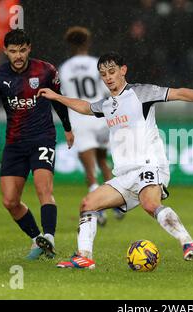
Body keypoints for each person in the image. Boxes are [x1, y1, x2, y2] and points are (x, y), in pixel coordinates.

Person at [38, 52, 193, 269]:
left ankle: (188, 243)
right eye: (103, 74)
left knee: (150, 204)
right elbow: (85, 107)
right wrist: (57, 97)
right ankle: (84, 257)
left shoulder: (141, 93)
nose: (108, 78)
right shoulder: (107, 104)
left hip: (150, 165)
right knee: (88, 204)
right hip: (125, 175)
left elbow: (180, 93)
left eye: (111, 72)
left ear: (123, 70)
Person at [0, 29, 74, 260]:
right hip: (14, 143)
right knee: (10, 201)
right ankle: (37, 239)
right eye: (13, 51)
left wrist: (67, 127)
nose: (18, 55)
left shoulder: (45, 71)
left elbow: (58, 100)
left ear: (29, 48)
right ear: (6, 51)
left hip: (42, 137)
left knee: (44, 188)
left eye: (22, 50)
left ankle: (50, 236)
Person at [59, 26, 123, 226]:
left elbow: (65, 98)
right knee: (104, 162)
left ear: (70, 45)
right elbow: (109, 89)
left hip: (80, 120)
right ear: (87, 43)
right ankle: (118, 203)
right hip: (100, 117)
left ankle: (99, 210)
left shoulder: (65, 68)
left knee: (90, 170)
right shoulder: (97, 64)